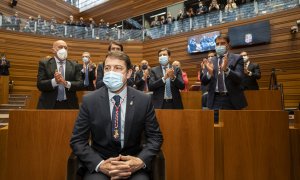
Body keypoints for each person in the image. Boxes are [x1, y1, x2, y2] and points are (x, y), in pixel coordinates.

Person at [70, 51, 163, 180]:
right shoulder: (90, 100)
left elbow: (155, 138)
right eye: (108, 68)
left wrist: (140, 161)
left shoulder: (143, 100)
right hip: (100, 162)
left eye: (118, 68)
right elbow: (78, 140)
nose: (111, 72)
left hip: (132, 163)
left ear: (129, 73)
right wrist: (100, 165)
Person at [201, 35, 247, 123]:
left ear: (228, 45)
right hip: (215, 100)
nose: (219, 46)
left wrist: (226, 70)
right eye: (217, 44)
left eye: (222, 43)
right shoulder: (210, 61)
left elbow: (240, 78)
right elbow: (203, 81)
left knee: (233, 129)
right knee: (215, 129)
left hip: (232, 99)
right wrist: (209, 74)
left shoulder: (237, 58)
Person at [36, 40, 83, 109]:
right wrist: (55, 81)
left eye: (65, 48)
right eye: (60, 47)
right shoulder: (44, 64)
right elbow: (40, 84)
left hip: (69, 105)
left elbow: (80, 84)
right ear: (53, 50)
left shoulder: (74, 64)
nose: (63, 50)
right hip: (48, 105)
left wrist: (66, 83)